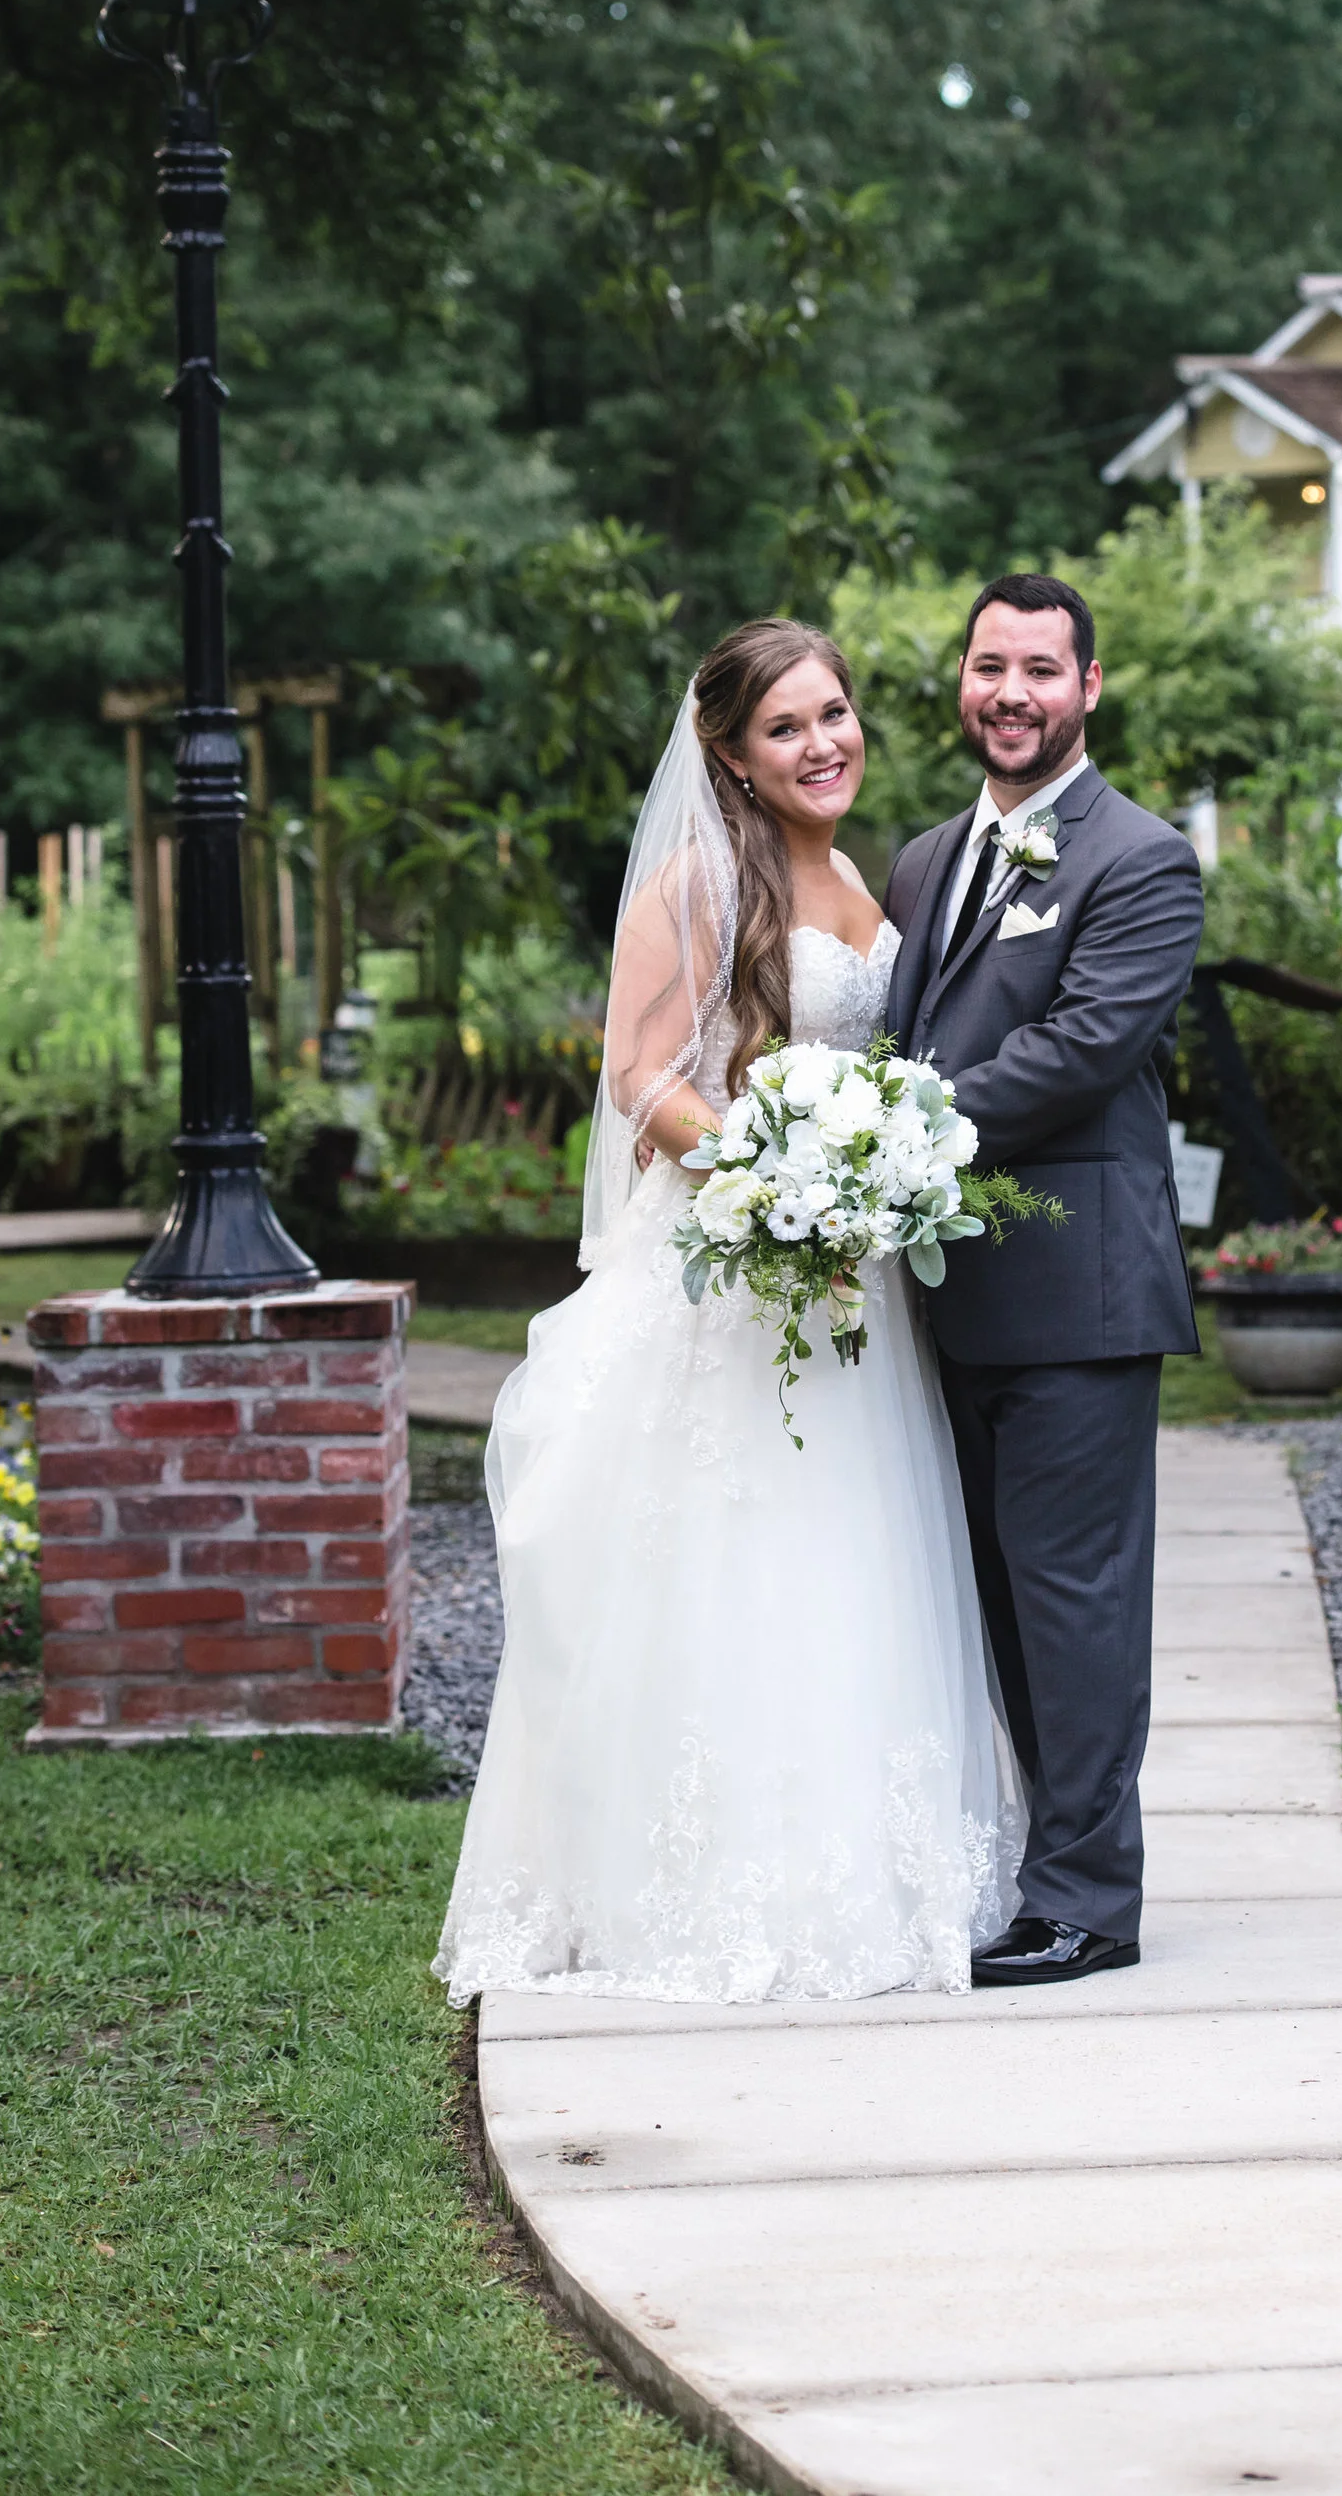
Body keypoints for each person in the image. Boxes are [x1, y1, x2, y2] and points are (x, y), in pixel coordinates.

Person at [435, 618, 1023, 2007]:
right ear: (732, 756)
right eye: (786, 727)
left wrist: (863, 1176)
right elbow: (640, 1074)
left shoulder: (864, 878)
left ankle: (857, 1877)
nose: (823, 744)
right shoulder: (700, 880)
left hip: (852, 1287)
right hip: (739, 1275)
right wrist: (777, 1174)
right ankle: (704, 1887)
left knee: (857, 1558)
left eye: (836, 712)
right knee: (736, 1567)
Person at [885, 574, 1204, 1986]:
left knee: (1075, 1601)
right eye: (988, 666)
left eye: (1039, 669)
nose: (1010, 693)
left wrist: (889, 1133)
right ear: (963, 681)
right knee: (995, 1606)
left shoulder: (1142, 861)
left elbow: (1080, 1051)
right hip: (944, 1295)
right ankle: (1030, 1867)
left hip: (1078, 1293)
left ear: (1089, 686)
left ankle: (1088, 1903)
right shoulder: (922, 861)